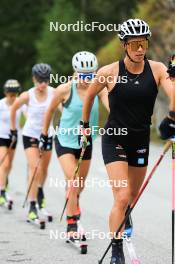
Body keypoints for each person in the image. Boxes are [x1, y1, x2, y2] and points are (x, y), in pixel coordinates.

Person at [80, 19, 175, 264]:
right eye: (134, 44)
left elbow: (172, 92)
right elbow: (89, 96)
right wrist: (84, 127)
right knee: (121, 197)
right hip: (114, 140)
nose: (140, 49)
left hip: (140, 140)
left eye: (143, 43)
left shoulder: (156, 70)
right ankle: (116, 251)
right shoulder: (109, 72)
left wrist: (172, 117)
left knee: (130, 197)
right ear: (124, 45)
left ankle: (125, 214)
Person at [40, 51, 109, 237]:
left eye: (91, 75)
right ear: (76, 72)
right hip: (64, 140)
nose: (87, 79)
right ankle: (72, 224)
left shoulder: (99, 89)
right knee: (73, 180)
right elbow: (50, 111)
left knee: (80, 185)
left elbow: (112, 106)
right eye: (83, 75)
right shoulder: (64, 89)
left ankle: (73, 200)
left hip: (86, 143)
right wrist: (44, 134)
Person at [10, 63, 54, 221]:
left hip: (48, 135)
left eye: (46, 80)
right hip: (30, 135)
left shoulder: (54, 93)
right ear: (34, 79)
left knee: (44, 169)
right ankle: (33, 204)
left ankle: (39, 189)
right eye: (40, 80)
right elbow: (14, 109)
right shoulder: (27, 95)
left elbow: (64, 108)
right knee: (35, 168)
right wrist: (14, 129)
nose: (43, 84)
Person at [0, 80, 22, 206]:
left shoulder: (20, 104)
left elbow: (28, 115)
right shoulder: (1, 104)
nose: (13, 97)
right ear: (5, 93)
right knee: (4, 162)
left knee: (9, 165)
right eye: (10, 94)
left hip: (13, 137)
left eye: (15, 94)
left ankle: (3, 182)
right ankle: (2, 191)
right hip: (1, 136)